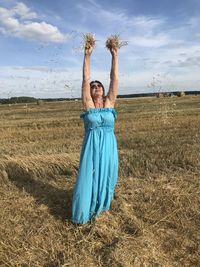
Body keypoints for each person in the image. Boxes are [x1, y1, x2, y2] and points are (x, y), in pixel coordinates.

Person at [71, 42, 119, 224]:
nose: (97, 86)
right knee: (88, 175)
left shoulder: (109, 104)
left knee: (107, 174)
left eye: (99, 85)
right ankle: (85, 210)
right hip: (92, 145)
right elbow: (85, 79)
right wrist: (87, 55)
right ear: (90, 92)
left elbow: (114, 79)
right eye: (94, 86)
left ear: (104, 90)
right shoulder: (88, 105)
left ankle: (102, 207)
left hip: (108, 144)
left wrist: (114, 55)